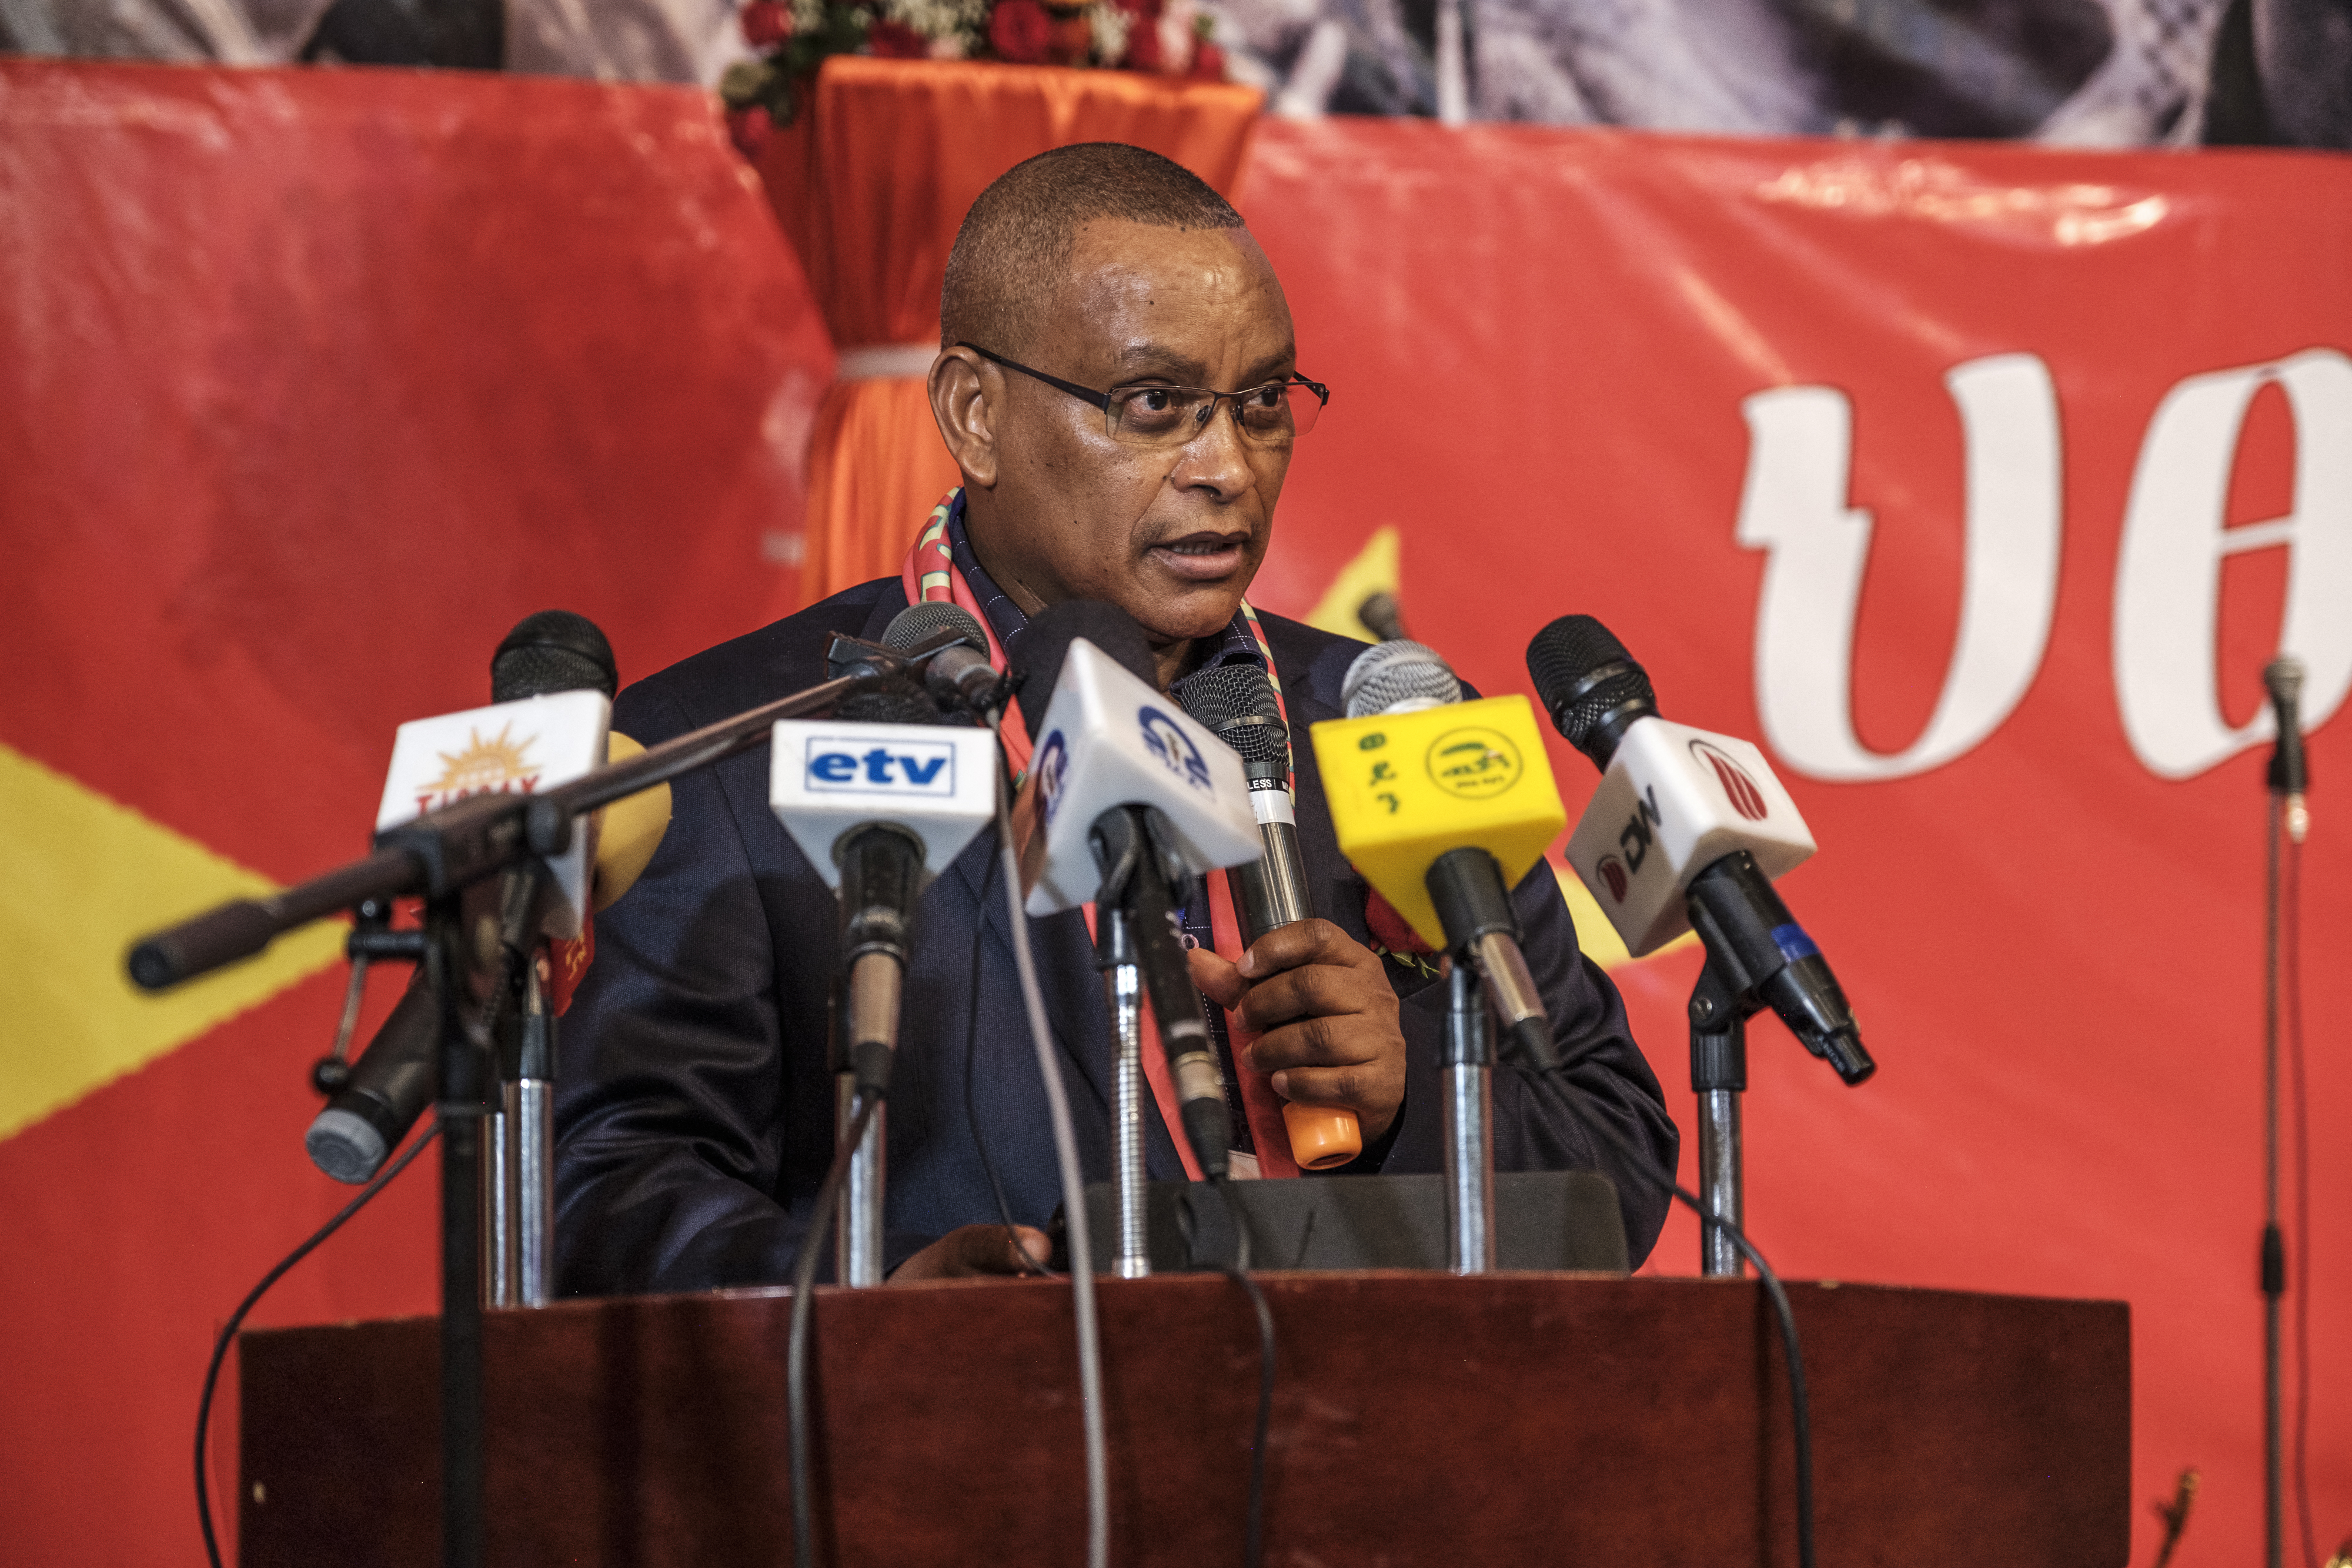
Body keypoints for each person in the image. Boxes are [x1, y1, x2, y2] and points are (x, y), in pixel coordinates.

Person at [553, 142, 1677, 1293]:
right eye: (1154, 405)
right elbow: (611, 1190)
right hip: (946, 1447)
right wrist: (879, 1297)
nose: (1226, 467)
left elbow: (1617, 1160)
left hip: (1353, 1443)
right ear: (975, 415)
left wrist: (1414, 1099)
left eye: (1261, 406)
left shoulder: (1382, 724)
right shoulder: (735, 745)